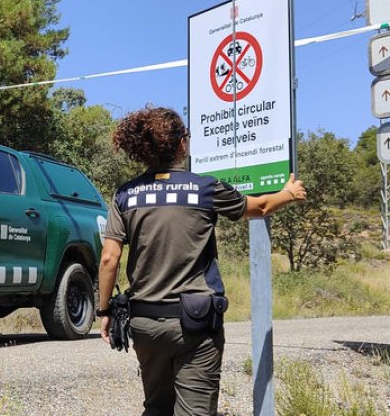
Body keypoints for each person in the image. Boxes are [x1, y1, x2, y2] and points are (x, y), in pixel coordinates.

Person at [97, 107, 306, 416]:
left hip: (145, 323)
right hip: (194, 323)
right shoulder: (204, 188)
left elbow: (109, 258)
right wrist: (289, 193)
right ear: (182, 143)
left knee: (156, 407)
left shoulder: (126, 194)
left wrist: (104, 311)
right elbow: (260, 207)